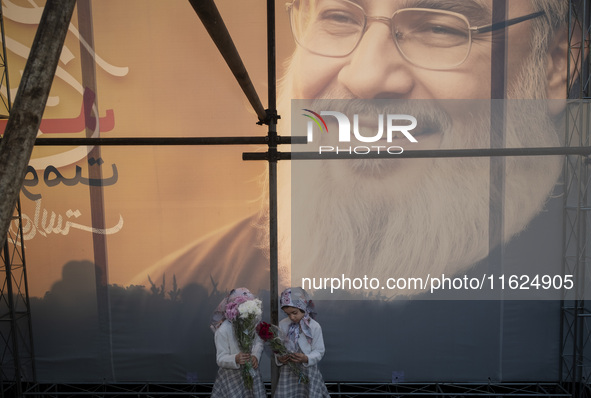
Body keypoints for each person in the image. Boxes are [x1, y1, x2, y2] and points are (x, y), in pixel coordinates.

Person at [132, 0, 575, 297]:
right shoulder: (178, 297)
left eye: (441, 28)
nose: (365, 76)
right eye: (339, 17)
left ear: (557, 63)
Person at [210, 287, 266, 398]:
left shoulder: (251, 325)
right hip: (231, 378)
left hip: (250, 373)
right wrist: (235, 358)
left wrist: (255, 355)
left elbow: (258, 342)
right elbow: (220, 358)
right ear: (233, 308)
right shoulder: (223, 330)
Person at [275, 287, 329, 398]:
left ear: (303, 306)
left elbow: (319, 351)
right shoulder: (283, 325)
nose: (292, 317)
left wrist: (306, 358)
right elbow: (277, 347)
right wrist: (280, 358)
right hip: (288, 372)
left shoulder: (314, 326)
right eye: (288, 314)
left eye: (294, 312)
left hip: (308, 371)